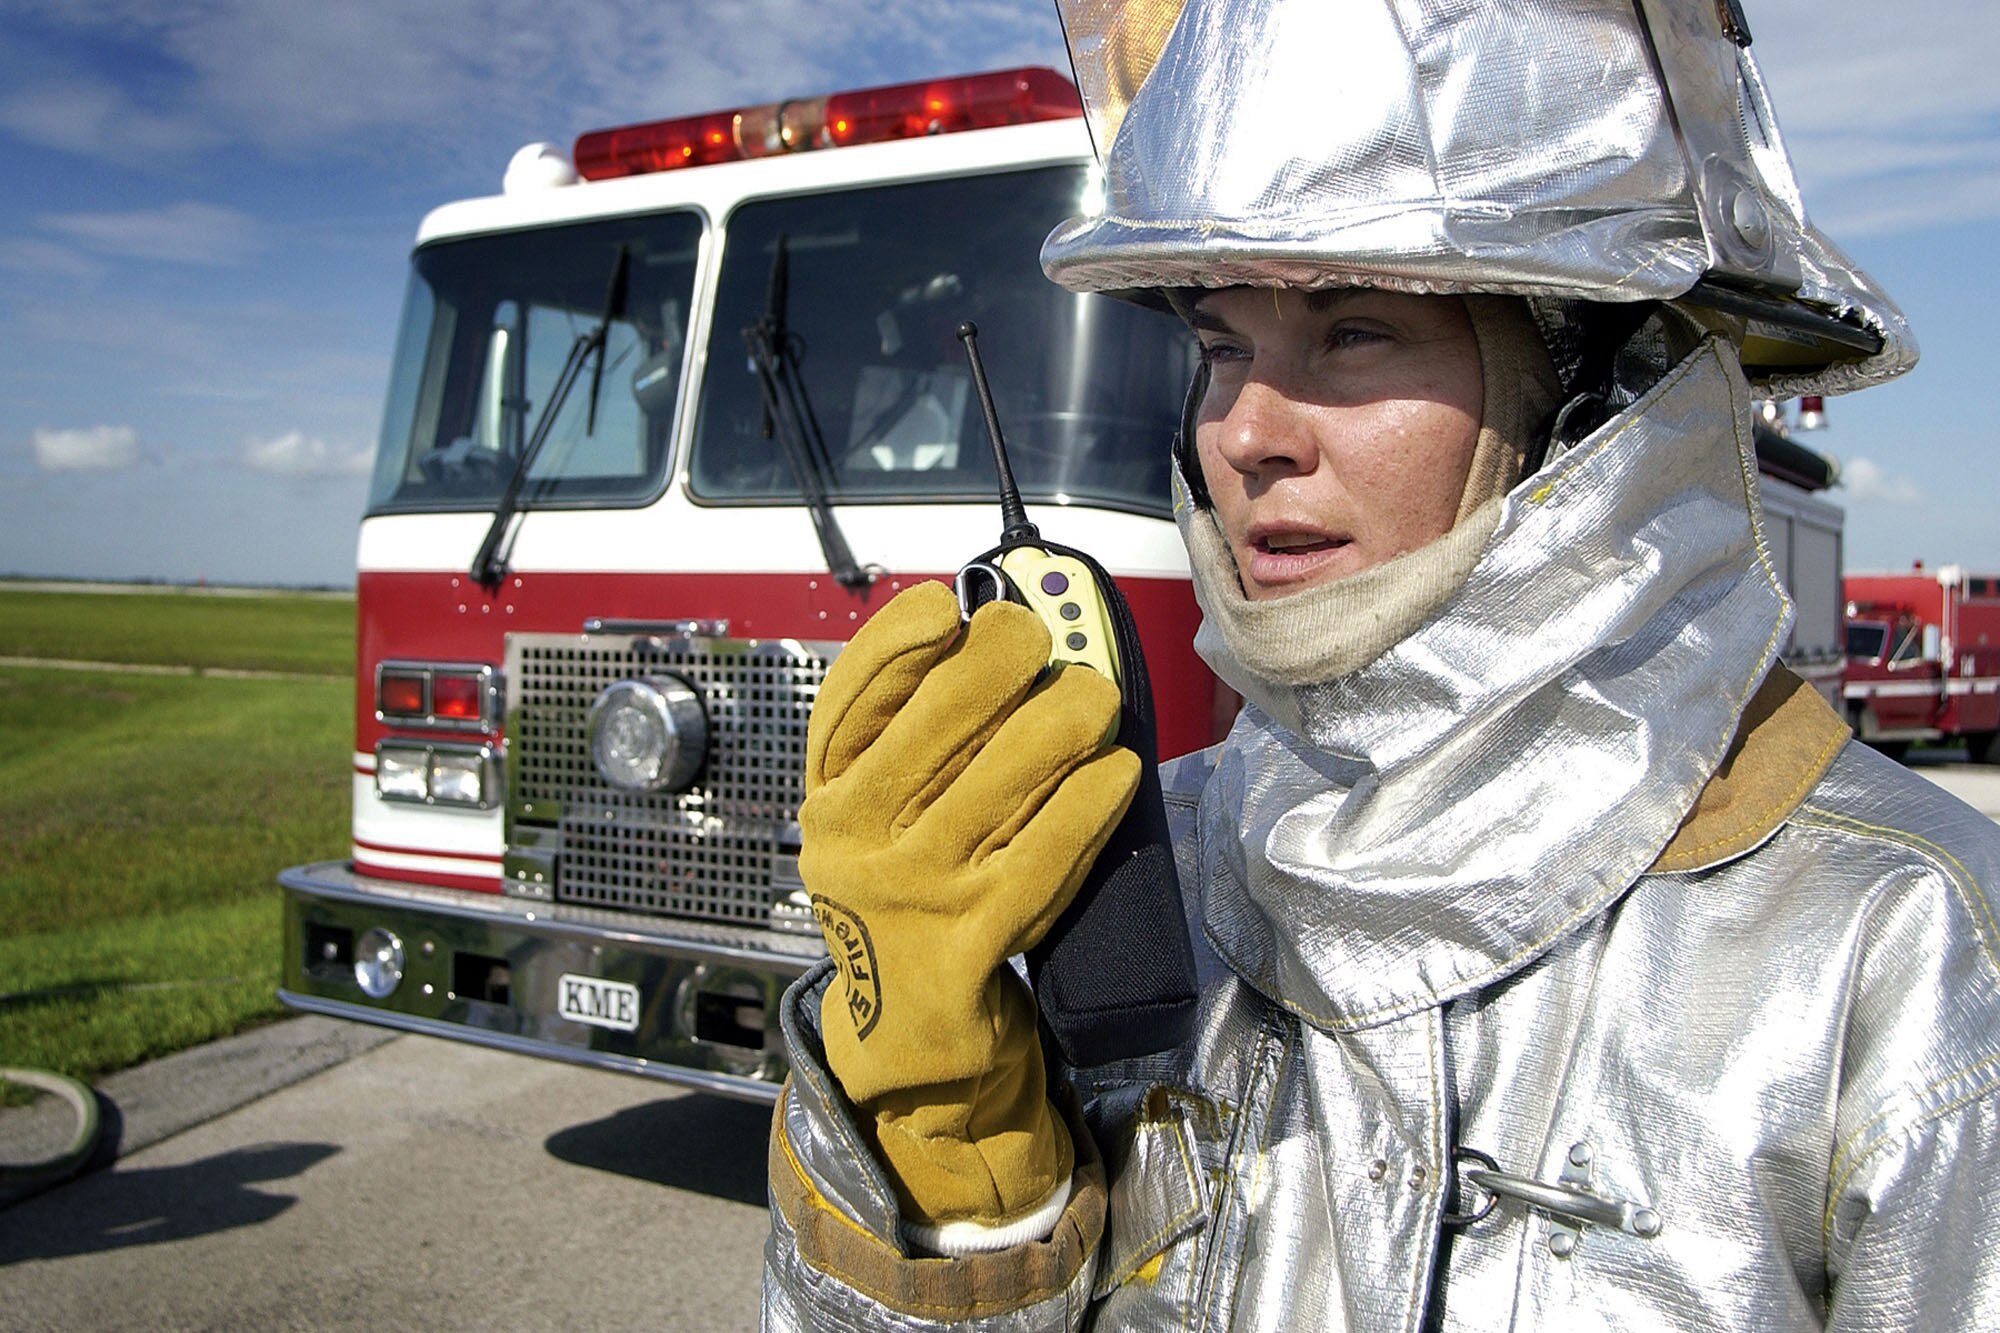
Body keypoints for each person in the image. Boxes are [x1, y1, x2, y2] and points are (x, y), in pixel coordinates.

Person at [761, 2, 2000, 1328]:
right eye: (1221, 345)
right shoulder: (1127, 872)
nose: (1243, 429)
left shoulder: (1903, 946)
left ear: (1584, 401)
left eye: (1353, 331)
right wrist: (960, 1178)